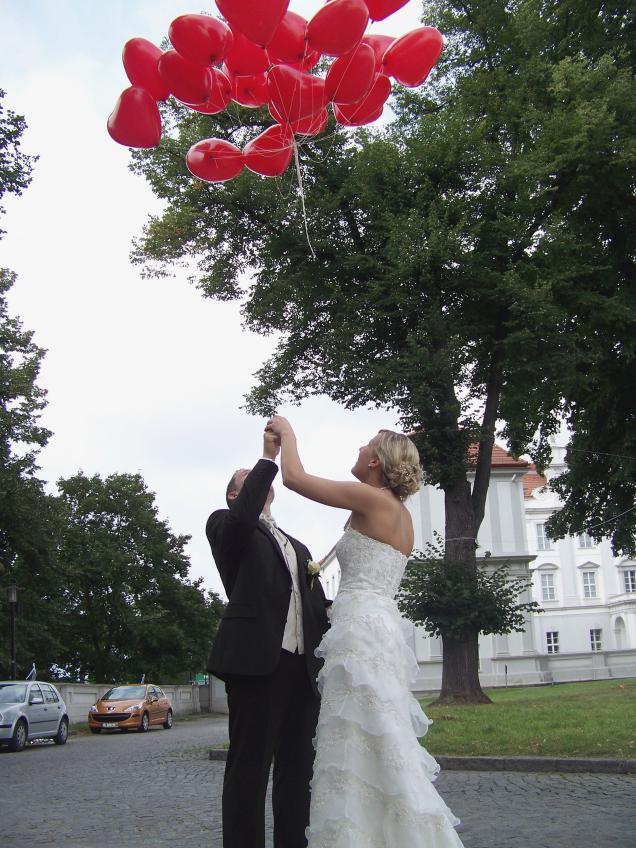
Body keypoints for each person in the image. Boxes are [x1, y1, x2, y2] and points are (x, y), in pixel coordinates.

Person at [264, 417, 465, 848]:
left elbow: (295, 479)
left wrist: (288, 434)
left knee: (357, 732)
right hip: (378, 626)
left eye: (365, 446)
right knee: (377, 731)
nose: (358, 448)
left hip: (359, 633)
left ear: (375, 461)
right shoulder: (402, 517)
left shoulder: (370, 499)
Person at [206, 430, 331, 848]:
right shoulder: (225, 526)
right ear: (233, 495)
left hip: (301, 672)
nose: (259, 482)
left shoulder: (297, 545)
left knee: (297, 772)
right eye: (247, 479)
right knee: (249, 771)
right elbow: (243, 518)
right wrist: (266, 458)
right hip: (256, 665)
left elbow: (316, 608)